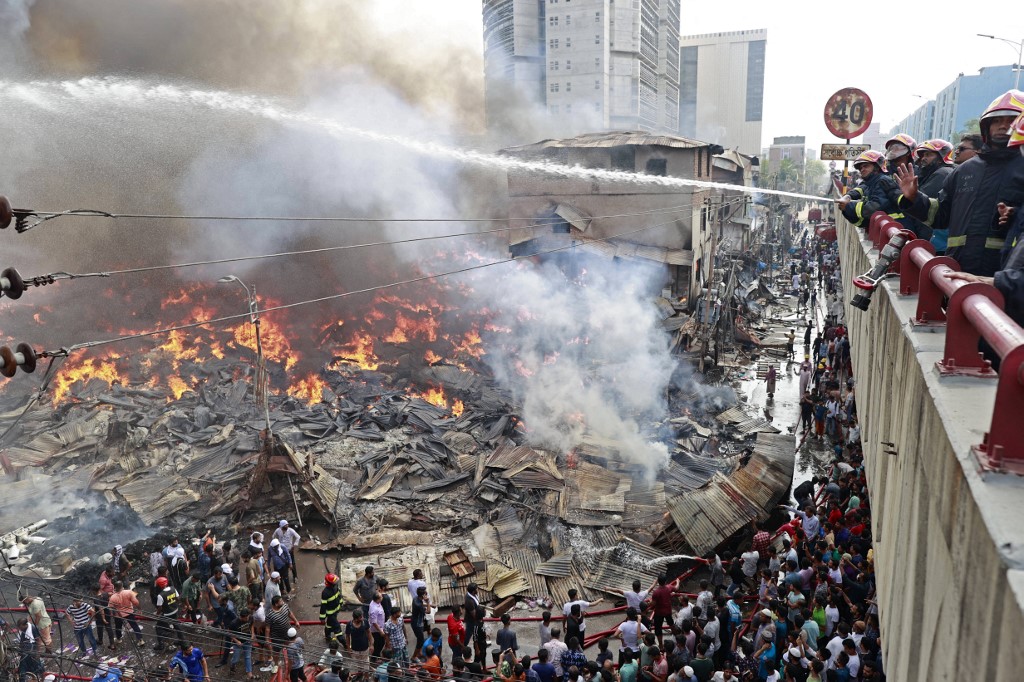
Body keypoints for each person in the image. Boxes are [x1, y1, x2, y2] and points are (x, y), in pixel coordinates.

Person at [896, 90, 1024, 276]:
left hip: (1004, 276)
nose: (1003, 125)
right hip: (957, 270)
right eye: (997, 120)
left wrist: (1014, 215)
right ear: (986, 126)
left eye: (1011, 120)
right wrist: (914, 198)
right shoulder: (965, 170)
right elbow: (940, 215)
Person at [837, 151, 904, 230]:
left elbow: (873, 209)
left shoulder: (882, 180)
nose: (862, 169)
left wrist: (848, 206)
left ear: (877, 166)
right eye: (860, 168)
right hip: (885, 231)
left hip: (896, 229)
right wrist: (846, 211)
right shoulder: (870, 184)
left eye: (866, 166)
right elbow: (862, 222)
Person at [912, 139, 955, 252]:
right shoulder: (934, 173)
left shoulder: (942, 173)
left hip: (936, 238)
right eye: (923, 155)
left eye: (929, 155)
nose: (923, 158)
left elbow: (919, 201)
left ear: (942, 157)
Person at [321, 573, 343, 644]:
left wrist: (341, 603)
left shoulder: (335, 586)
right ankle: (345, 644)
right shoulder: (325, 593)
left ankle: (327, 636)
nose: (336, 583)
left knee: (329, 625)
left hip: (336, 611)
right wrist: (322, 618)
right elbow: (323, 606)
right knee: (338, 630)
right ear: (330, 583)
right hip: (331, 614)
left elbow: (339, 596)